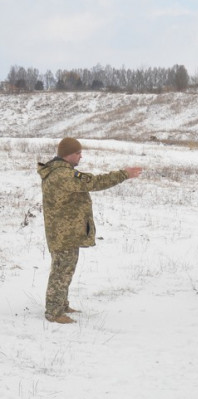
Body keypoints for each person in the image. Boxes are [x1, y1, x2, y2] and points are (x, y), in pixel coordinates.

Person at [38, 137, 142, 324]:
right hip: (64, 233)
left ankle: (61, 305)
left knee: (65, 269)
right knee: (61, 271)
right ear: (68, 155)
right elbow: (94, 182)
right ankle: (54, 312)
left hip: (65, 231)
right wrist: (123, 174)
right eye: (78, 153)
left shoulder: (60, 171)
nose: (81, 156)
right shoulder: (63, 175)